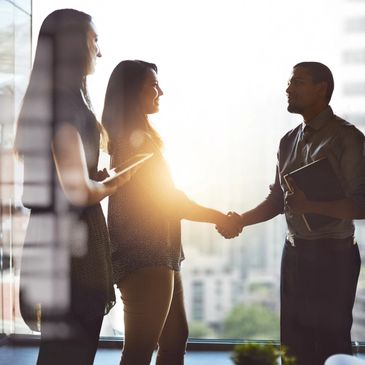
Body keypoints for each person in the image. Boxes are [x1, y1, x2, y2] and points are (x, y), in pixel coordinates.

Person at [218, 62, 365, 365]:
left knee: (330, 344)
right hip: (295, 253)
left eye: (297, 83)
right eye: (289, 83)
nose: (288, 89)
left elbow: (362, 205)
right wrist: (240, 220)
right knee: (294, 345)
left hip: (334, 257)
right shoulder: (287, 140)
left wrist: (312, 206)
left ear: (322, 88)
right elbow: (277, 199)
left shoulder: (348, 138)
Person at [101, 59, 240, 365]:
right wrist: (220, 217)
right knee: (138, 352)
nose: (160, 92)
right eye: (153, 85)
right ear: (132, 92)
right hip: (144, 256)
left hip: (162, 254)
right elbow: (170, 201)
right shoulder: (132, 143)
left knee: (175, 340)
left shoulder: (142, 139)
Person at [14, 9, 131, 365]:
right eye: (95, 40)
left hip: (55, 241)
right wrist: (116, 182)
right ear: (74, 44)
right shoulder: (64, 105)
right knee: (72, 352)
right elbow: (79, 191)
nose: (99, 52)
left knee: (63, 350)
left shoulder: (56, 99)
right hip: (72, 248)